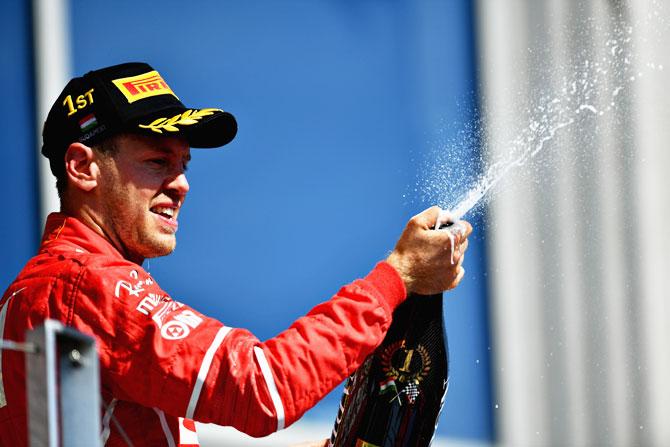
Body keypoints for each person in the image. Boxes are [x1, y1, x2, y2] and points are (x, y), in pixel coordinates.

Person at [0, 62, 471, 447]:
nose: (181, 183)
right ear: (83, 168)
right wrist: (397, 277)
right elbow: (264, 389)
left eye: (183, 164)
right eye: (157, 161)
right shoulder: (83, 285)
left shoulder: (52, 288)